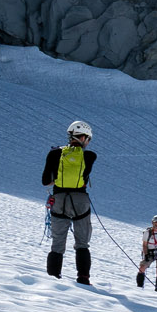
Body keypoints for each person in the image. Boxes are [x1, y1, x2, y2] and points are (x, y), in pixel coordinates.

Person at [40, 120, 96, 283]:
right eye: (88, 139)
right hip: (80, 201)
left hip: (59, 200)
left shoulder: (54, 154)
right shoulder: (90, 156)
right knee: (82, 243)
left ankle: (53, 278)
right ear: (84, 137)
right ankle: (83, 278)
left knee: (57, 242)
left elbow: (46, 181)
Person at [136, 216, 157, 291]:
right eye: (155, 223)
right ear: (152, 223)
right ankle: (139, 288)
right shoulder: (147, 233)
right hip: (149, 253)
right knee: (142, 268)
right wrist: (146, 254)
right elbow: (144, 245)